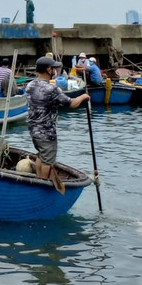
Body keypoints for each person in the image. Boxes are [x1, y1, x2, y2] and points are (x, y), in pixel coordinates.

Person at [24, 56, 90, 192]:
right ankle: (42, 185)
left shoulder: (30, 85)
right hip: (46, 131)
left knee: (41, 155)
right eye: (53, 68)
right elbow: (71, 104)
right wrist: (84, 96)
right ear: (48, 70)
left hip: (33, 128)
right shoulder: (51, 89)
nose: (55, 70)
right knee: (47, 160)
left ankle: (39, 179)